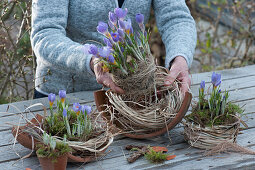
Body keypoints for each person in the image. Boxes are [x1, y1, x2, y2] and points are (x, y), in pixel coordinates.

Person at [31, 0, 197, 98]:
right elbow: (46, 34)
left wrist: (180, 57)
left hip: (130, 97)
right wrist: (91, 60)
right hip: (65, 97)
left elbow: (176, 18)